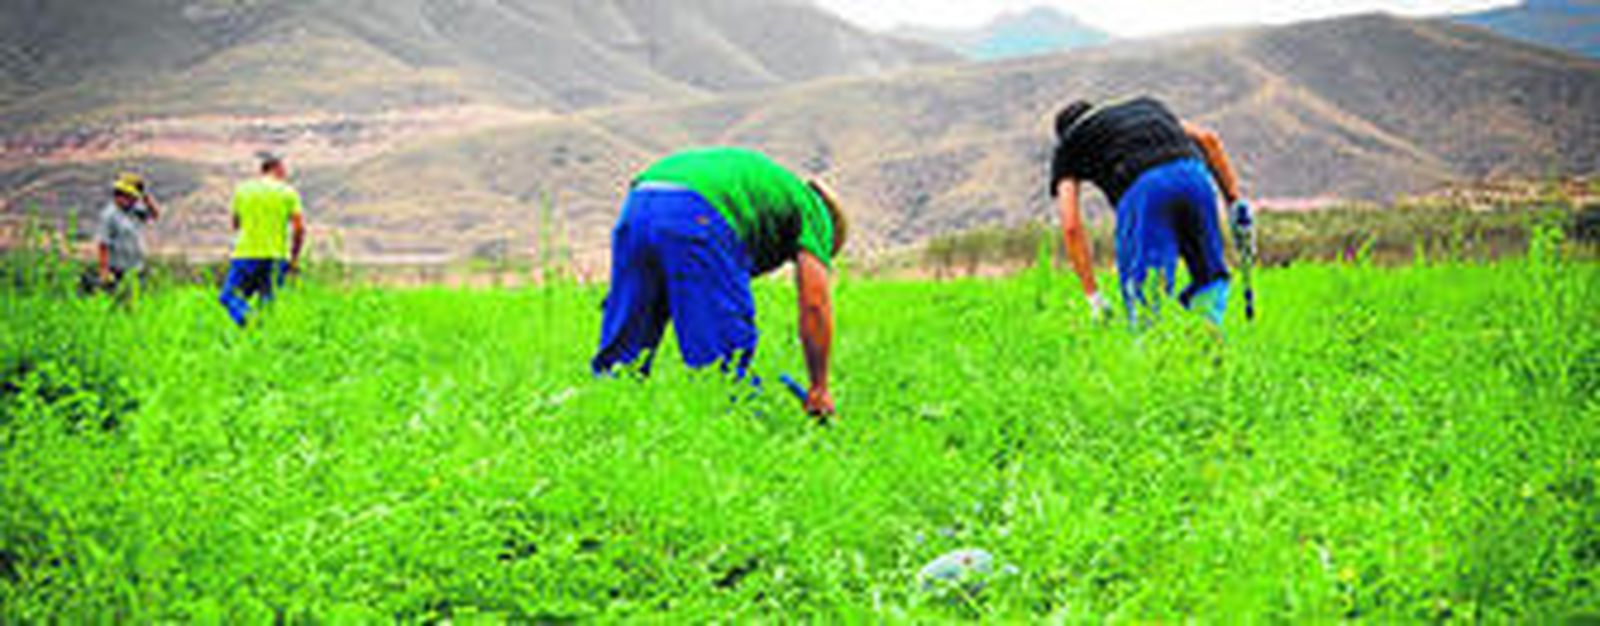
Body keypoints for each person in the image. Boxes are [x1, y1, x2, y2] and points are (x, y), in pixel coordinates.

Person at [592, 147, 848, 418]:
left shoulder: (772, 192)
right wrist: (819, 388)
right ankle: (738, 431)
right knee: (722, 368)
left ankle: (605, 424)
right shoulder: (815, 212)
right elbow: (815, 304)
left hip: (638, 205)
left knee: (620, 361)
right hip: (698, 213)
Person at [1049, 97, 1250, 326]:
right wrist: (1235, 204)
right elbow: (1208, 139)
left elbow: (1071, 226)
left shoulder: (1070, 144)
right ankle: (1207, 340)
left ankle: (1156, 353)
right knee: (1209, 276)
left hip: (1145, 190)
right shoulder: (1146, 107)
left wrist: (1093, 297)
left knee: (1146, 294)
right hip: (1194, 176)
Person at [220, 152, 305, 327]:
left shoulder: (243, 190)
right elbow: (299, 229)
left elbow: (236, 223)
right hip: (276, 256)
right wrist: (294, 258)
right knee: (267, 302)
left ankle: (248, 318)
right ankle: (260, 329)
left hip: (246, 254)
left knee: (228, 296)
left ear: (262, 171)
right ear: (278, 169)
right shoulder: (288, 192)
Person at [92, 172, 162, 294]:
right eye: (130, 197)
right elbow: (103, 244)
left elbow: (155, 215)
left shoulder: (134, 210)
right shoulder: (109, 215)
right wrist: (104, 271)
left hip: (135, 267)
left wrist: (145, 197)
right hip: (117, 270)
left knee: (136, 303)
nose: (133, 200)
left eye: (134, 197)